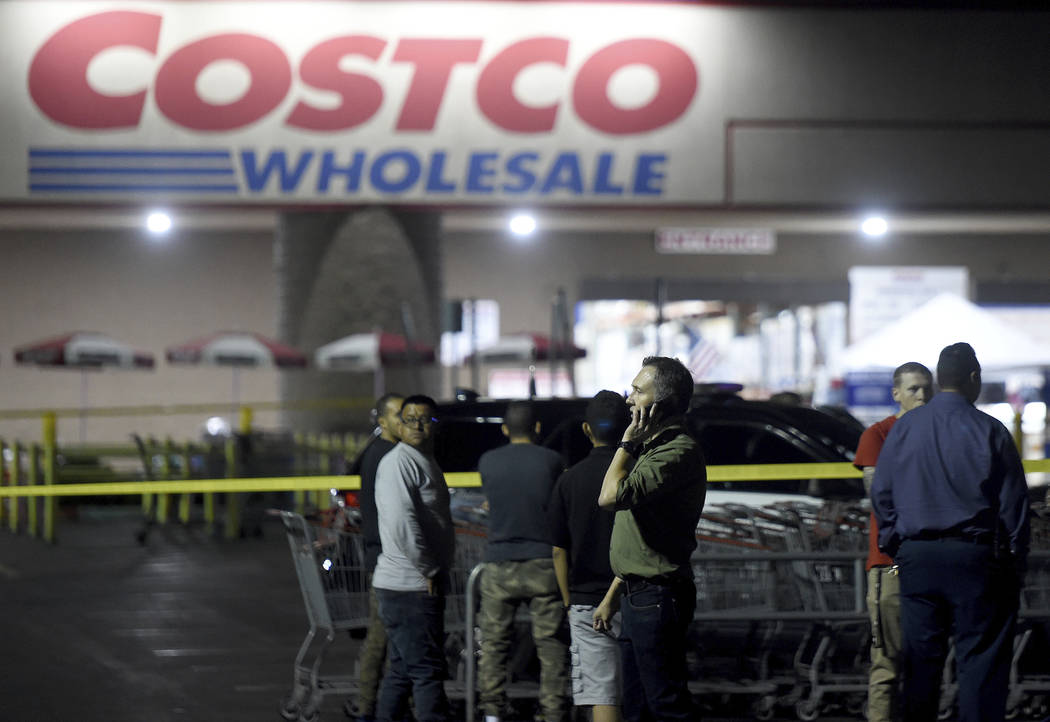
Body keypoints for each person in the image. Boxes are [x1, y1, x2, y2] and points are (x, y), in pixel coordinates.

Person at [872, 343, 1031, 722]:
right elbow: (1015, 506)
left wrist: (898, 545)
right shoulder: (990, 430)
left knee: (920, 666)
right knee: (980, 662)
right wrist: (1015, 562)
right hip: (976, 558)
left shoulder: (905, 428)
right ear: (974, 378)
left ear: (939, 379)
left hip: (917, 558)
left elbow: (881, 493)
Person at [597, 356, 706, 722]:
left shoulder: (676, 453)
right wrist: (614, 594)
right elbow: (643, 538)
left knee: (666, 704)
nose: (629, 399)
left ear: (659, 403)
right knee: (637, 706)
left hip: (657, 598)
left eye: (637, 391)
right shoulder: (653, 448)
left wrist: (625, 445)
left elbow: (609, 497)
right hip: (638, 593)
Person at [477, 400, 570, 722]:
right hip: (543, 563)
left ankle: (492, 712)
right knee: (550, 644)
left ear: (505, 429)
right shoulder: (552, 460)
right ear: (538, 428)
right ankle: (554, 711)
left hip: (499, 563)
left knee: (494, 643)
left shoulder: (488, 461)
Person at [853, 363, 933, 722]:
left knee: (925, 662)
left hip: (926, 560)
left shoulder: (937, 434)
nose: (922, 396)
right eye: (914, 388)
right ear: (896, 393)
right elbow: (878, 494)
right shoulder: (879, 434)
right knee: (887, 663)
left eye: (927, 388)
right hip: (891, 562)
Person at [372, 394, 455, 722]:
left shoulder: (423, 459)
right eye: (410, 419)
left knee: (404, 671)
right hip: (410, 586)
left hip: (414, 585)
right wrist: (430, 568)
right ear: (399, 425)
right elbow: (402, 522)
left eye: (425, 419)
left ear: (435, 425)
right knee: (427, 672)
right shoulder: (398, 462)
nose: (418, 424)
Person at [549, 390, 630, 722]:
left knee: (603, 693)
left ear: (586, 430)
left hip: (587, 600)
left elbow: (558, 549)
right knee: (641, 687)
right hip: (637, 594)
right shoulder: (638, 473)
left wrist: (569, 599)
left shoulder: (569, 480)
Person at [345, 393, 403, 722]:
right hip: (385, 559)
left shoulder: (379, 452)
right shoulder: (387, 455)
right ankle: (366, 706)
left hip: (383, 557)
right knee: (381, 638)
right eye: (398, 415)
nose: (406, 421)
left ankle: (372, 704)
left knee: (384, 638)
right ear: (382, 422)